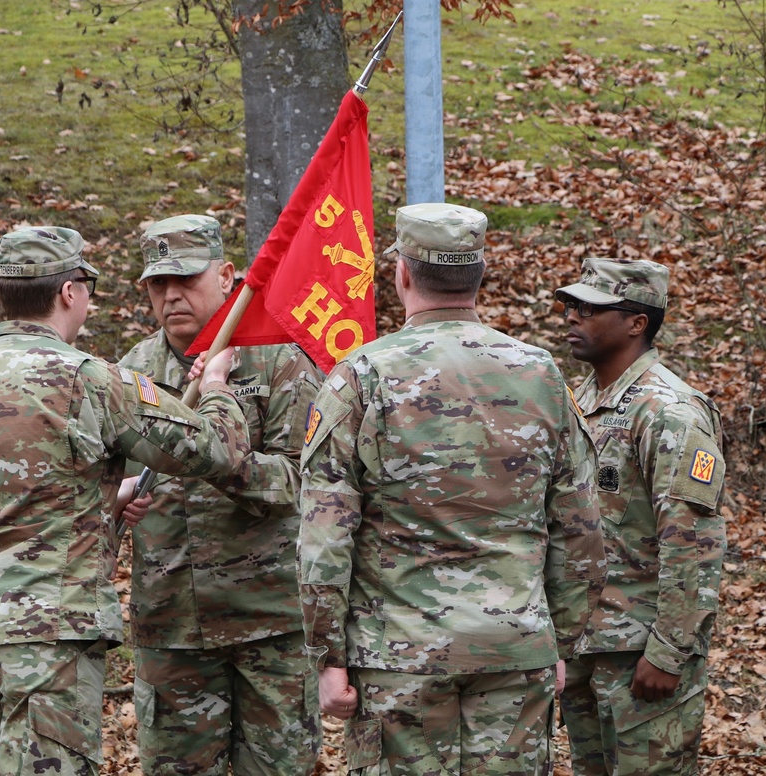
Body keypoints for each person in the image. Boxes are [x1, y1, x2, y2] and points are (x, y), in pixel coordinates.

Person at [0, 226, 251, 776]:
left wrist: (104, 498)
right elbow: (216, 449)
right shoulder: (88, 379)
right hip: (49, 635)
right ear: (70, 292)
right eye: (88, 288)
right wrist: (215, 384)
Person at [298, 202, 606, 775]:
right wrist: (559, 639)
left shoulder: (362, 375)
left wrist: (327, 657)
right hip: (514, 646)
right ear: (480, 275)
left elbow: (325, 537)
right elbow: (582, 528)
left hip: (398, 656)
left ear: (402, 274)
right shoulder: (540, 374)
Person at [117, 214, 324, 775]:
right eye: (158, 284)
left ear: (228, 275)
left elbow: (303, 482)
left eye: (186, 279)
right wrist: (121, 494)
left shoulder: (279, 357)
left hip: (269, 621)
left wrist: (216, 459)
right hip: (172, 622)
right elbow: (103, 474)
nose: (171, 295)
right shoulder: (132, 371)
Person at [555, 258, 727, 775]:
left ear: (637, 323)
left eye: (591, 308)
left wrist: (670, 651)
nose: (572, 316)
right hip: (586, 644)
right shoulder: (579, 401)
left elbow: (693, 541)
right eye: (571, 305)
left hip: (641, 652)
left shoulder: (668, 411)